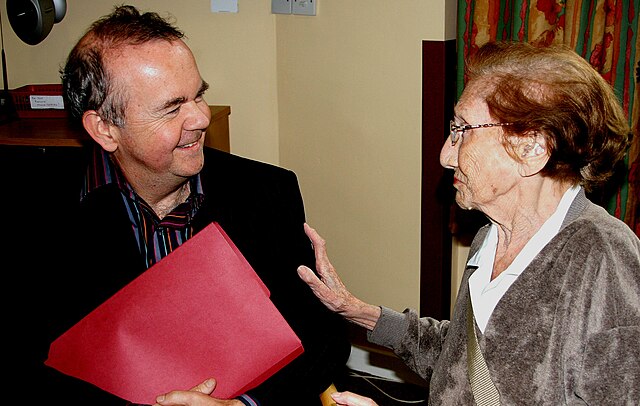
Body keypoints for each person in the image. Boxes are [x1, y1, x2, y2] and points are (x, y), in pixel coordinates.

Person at [35, 4, 350, 405]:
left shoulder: (267, 192)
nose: (201, 118)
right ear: (105, 128)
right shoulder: (40, 215)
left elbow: (323, 340)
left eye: (198, 94)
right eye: (172, 107)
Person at [296, 41, 640, 405]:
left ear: (532, 147)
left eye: (463, 129)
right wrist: (357, 311)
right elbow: (462, 359)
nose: (446, 154)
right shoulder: (490, 238)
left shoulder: (604, 259)